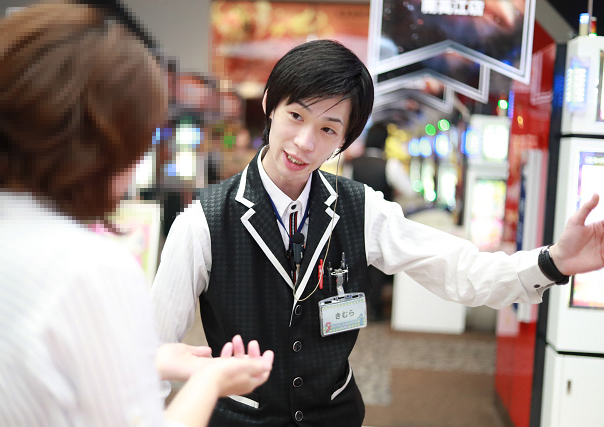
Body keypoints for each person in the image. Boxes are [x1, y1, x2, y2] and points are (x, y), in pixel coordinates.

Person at [151, 39, 604, 426]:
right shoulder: (203, 220)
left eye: (328, 129)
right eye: (296, 116)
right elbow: (154, 349)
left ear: (344, 140)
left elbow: (459, 270)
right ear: (271, 104)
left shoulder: (360, 208)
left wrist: (553, 262)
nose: (305, 142)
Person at [0, 4, 272, 427]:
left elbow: (29, 374)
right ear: (105, 143)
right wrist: (210, 381)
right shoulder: (89, 271)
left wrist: (152, 360)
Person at [349, 122, 413, 320]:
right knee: (377, 265)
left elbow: (343, 189)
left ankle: (354, 310)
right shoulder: (390, 164)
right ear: (385, 142)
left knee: (357, 264)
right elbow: (409, 191)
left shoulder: (353, 164)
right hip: (381, 224)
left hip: (355, 221)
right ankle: (374, 310)